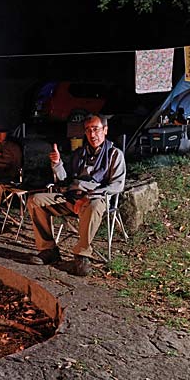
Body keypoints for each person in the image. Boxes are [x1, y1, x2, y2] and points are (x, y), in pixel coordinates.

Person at [26, 114, 126, 275]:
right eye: (88, 130)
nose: (92, 134)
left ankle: (81, 257)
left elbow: (117, 185)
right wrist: (57, 163)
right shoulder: (80, 153)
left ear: (105, 130)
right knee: (35, 200)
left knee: (93, 206)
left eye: (96, 129)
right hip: (72, 196)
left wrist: (89, 196)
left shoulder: (115, 154)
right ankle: (49, 250)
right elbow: (65, 180)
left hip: (96, 198)